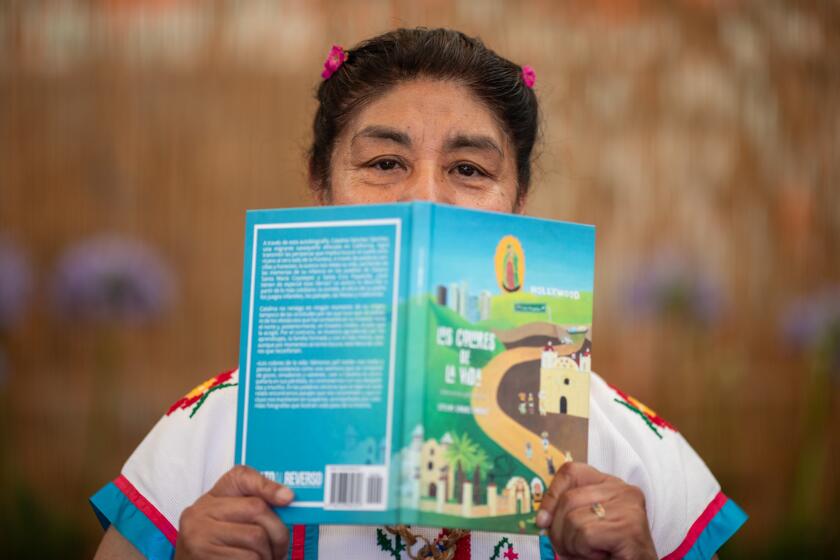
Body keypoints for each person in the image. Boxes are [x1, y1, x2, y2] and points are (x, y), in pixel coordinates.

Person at [91, 28, 746, 560]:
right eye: (384, 164)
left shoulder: (628, 453)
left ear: (517, 205)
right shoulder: (206, 438)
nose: (425, 196)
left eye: (468, 169)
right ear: (321, 189)